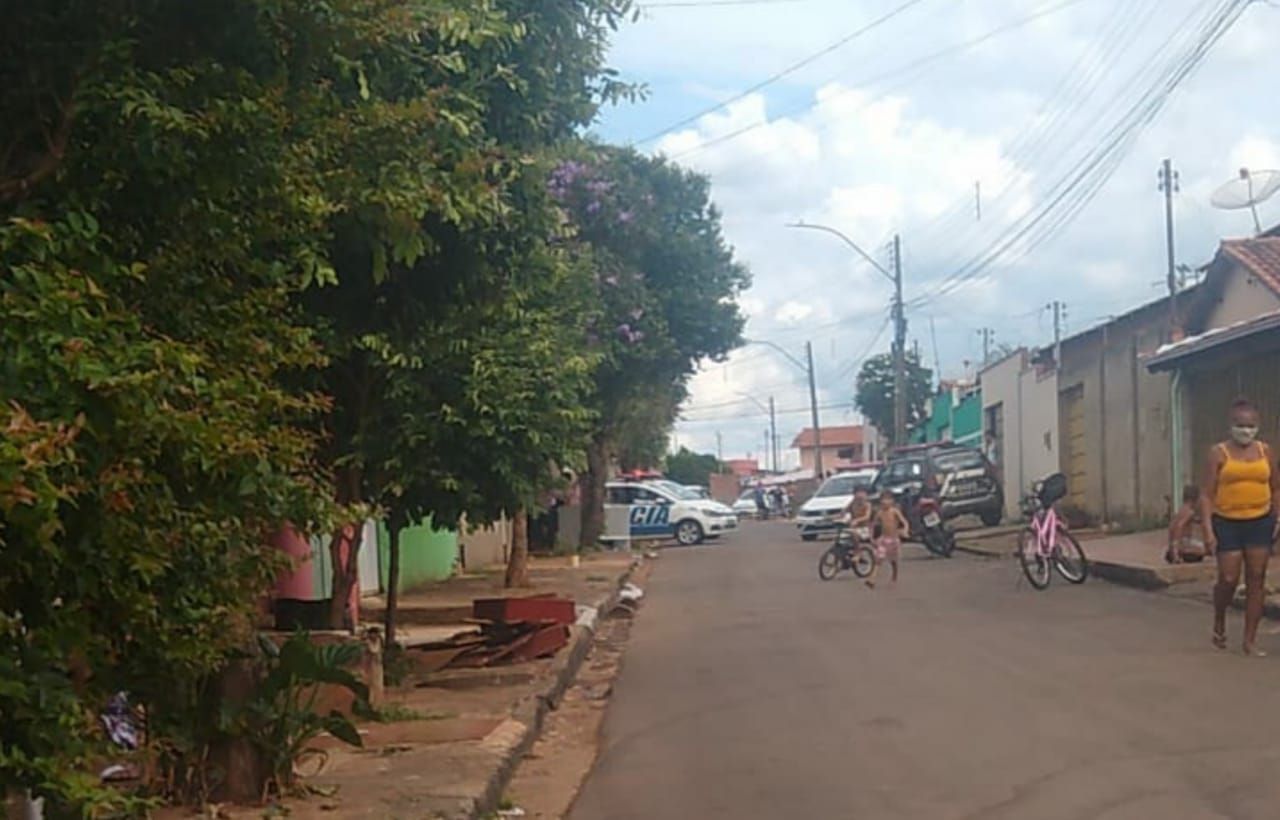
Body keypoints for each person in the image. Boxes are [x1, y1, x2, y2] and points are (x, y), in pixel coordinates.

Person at [1200, 398, 1280, 656]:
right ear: (1231, 425)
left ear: (1258, 425)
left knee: (1256, 578)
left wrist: (1278, 517)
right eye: (1240, 425)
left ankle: (1249, 640)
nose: (1246, 430)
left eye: (1251, 425)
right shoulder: (1218, 453)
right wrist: (1208, 529)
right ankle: (1220, 619)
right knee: (1228, 578)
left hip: (1260, 520)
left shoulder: (1265, 451)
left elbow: (1275, 487)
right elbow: (1206, 494)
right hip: (1227, 522)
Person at [854, 489, 910, 589]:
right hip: (884, 539)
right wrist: (871, 537)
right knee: (878, 560)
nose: (885, 502)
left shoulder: (894, 512)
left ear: (892, 501)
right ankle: (872, 579)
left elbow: (905, 522)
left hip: (894, 540)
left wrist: (905, 531)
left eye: (888, 500)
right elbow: (873, 525)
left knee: (893, 561)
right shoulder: (880, 513)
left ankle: (894, 576)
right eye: (883, 500)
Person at [1166, 485, 1207, 564]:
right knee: (1210, 549)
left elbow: (1172, 526)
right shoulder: (1190, 512)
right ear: (1196, 499)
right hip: (1183, 545)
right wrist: (1175, 548)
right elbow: (1179, 526)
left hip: (1179, 544)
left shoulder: (1180, 512)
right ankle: (1182, 553)